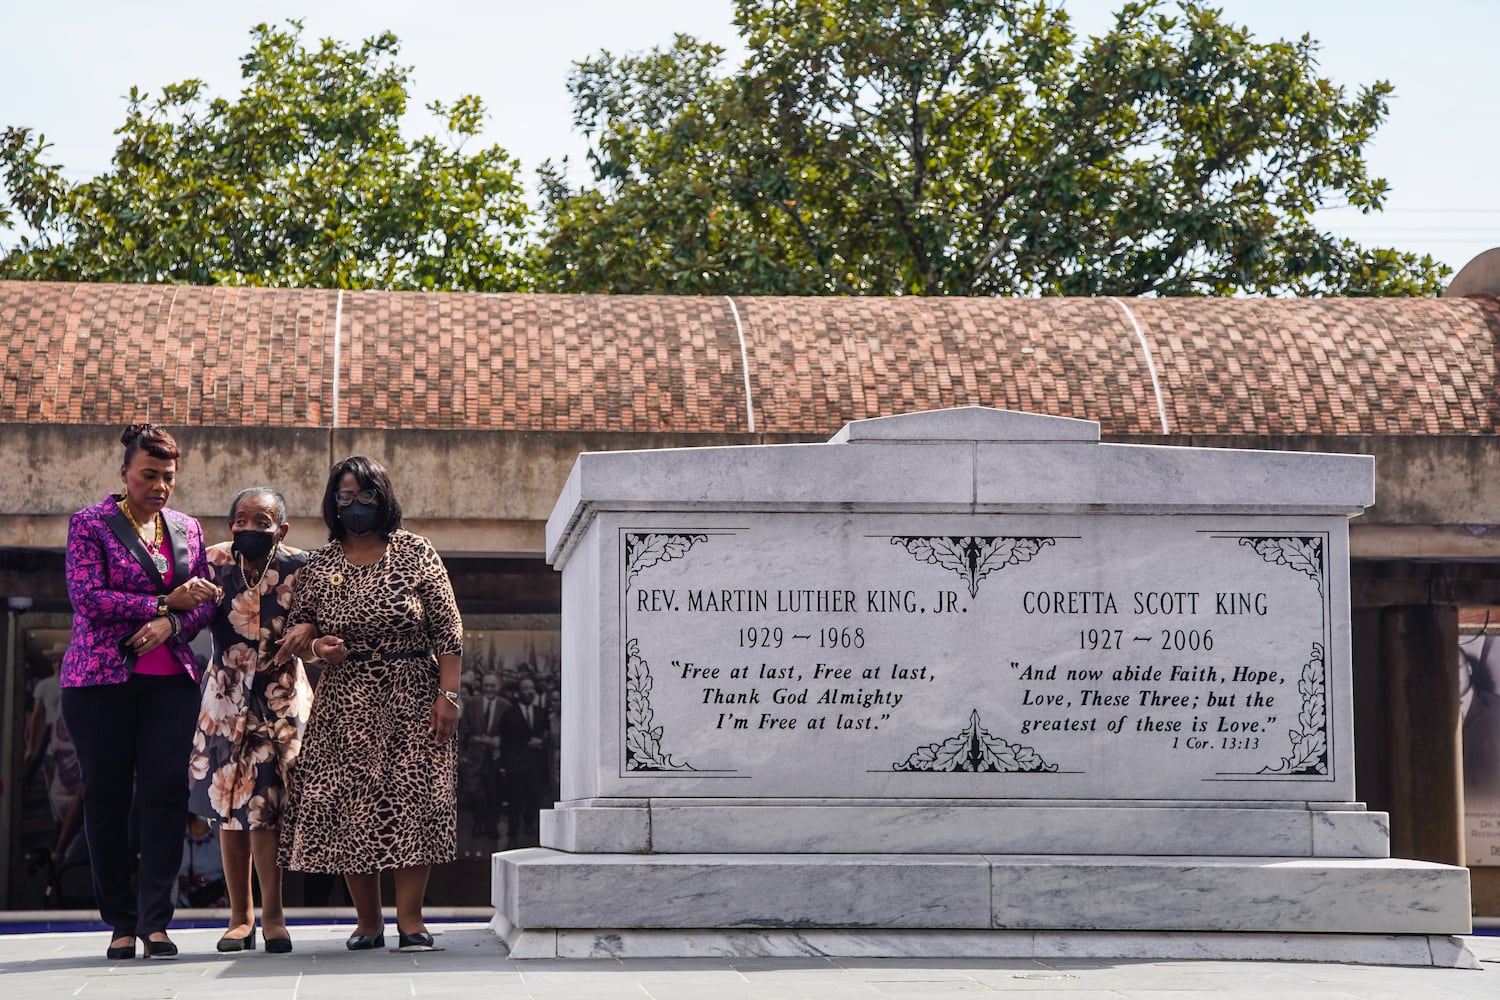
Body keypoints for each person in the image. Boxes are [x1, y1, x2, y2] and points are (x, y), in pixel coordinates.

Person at [275, 456, 463, 952]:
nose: (355, 506)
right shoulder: (321, 563)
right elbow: (301, 630)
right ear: (333, 502)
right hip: (345, 699)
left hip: (413, 693)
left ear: (383, 498)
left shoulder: (415, 552)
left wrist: (448, 696)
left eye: (365, 496)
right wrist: (317, 646)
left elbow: (449, 630)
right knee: (349, 804)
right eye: (345, 496)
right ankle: (367, 922)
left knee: (411, 800)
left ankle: (411, 921)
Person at [59, 423, 220, 960]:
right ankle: (120, 924)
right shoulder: (91, 524)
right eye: (148, 475)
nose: (159, 486)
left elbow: (205, 601)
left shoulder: (187, 529)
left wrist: (172, 624)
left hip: (170, 682)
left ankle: (156, 921)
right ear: (125, 472)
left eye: (167, 477)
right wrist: (160, 605)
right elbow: (88, 597)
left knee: (165, 796)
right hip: (100, 680)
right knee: (106, 798)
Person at [187, 487, 311, 954]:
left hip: (279, 697)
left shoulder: (302, 566)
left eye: (261, 521)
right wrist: (183, 598)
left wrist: (312, 630)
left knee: (266, 808)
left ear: (281, 529)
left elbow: (322, 616)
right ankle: (239, 917)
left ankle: (274, 914)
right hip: (225, 695)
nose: (249, 528)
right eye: (240, 519)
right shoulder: (213, 560)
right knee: (227, 805)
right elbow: (193, 612)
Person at [499, 675, 551, 848]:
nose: (529, 692)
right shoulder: (509, 713)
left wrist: (541, 743)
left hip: (536, 766)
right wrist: (526, 744)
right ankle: (512, 832)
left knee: (533, 799)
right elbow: (506, 741)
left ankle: (529, 823)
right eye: (525, 689)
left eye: (531, 689)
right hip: (516, 766)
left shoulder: (541, 713)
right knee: (515, 801)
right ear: (518, 692)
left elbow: (547, 736)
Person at [460, 673, 507, 842]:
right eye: (486, 685)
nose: (489, 689)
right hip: (474, 758)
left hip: (495, 759)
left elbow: (509, 733)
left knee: (494, 794)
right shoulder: (472, 704)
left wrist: (499, 741)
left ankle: (492, 825)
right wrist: (462, 755)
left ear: (499, 687)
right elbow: (463, 730)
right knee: (475, 793)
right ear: (482, 686)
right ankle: (478, 824)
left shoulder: (505, 706)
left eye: (492, 686)